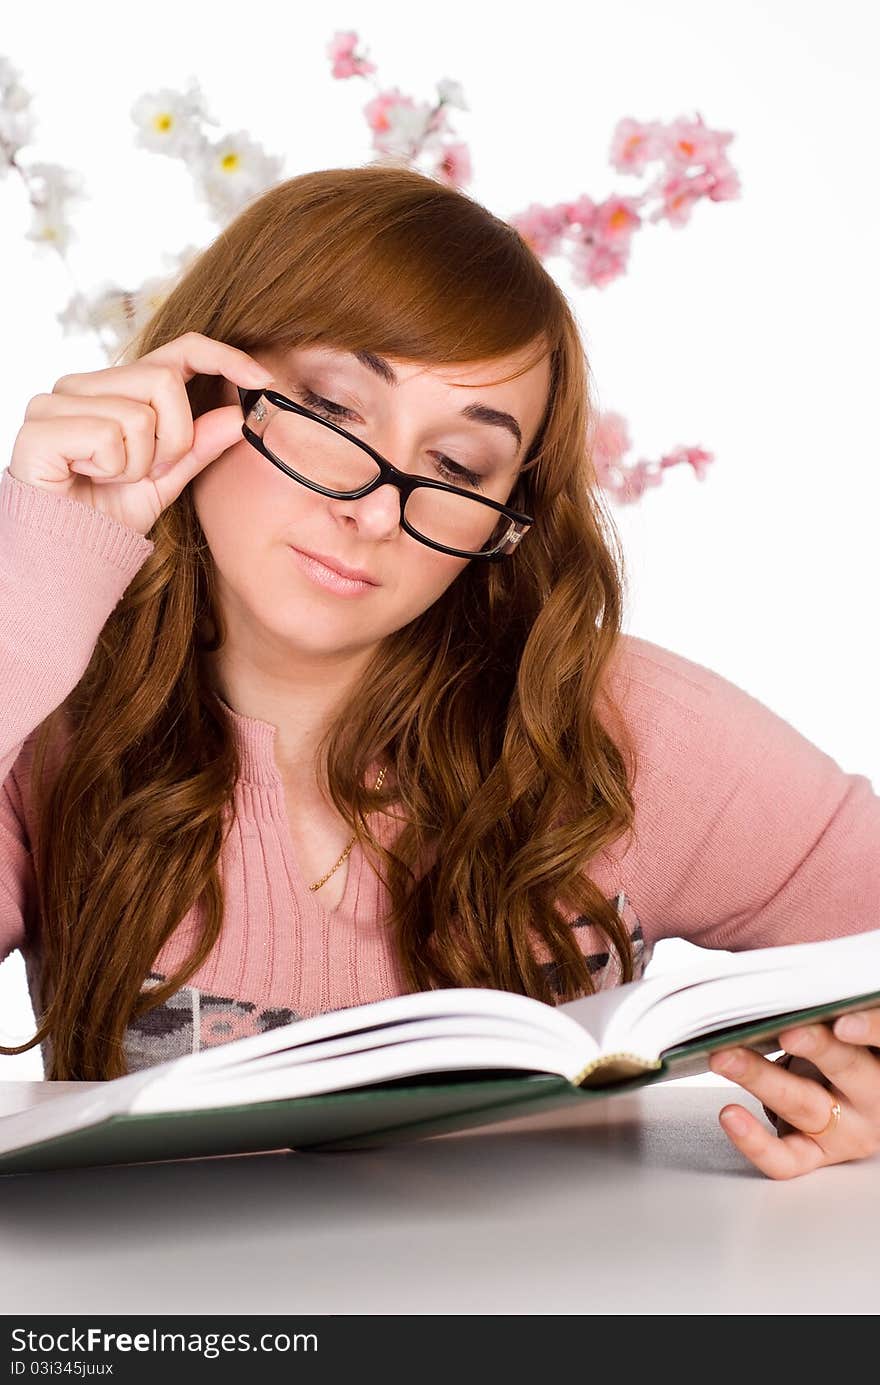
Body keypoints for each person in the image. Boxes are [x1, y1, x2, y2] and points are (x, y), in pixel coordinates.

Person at [0, 164, 877, 1181]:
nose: (373, 510)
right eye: (332, 409)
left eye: (458, 466)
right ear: (200, 383)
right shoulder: (42, 719)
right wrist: (38, 569)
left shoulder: (620, 727)